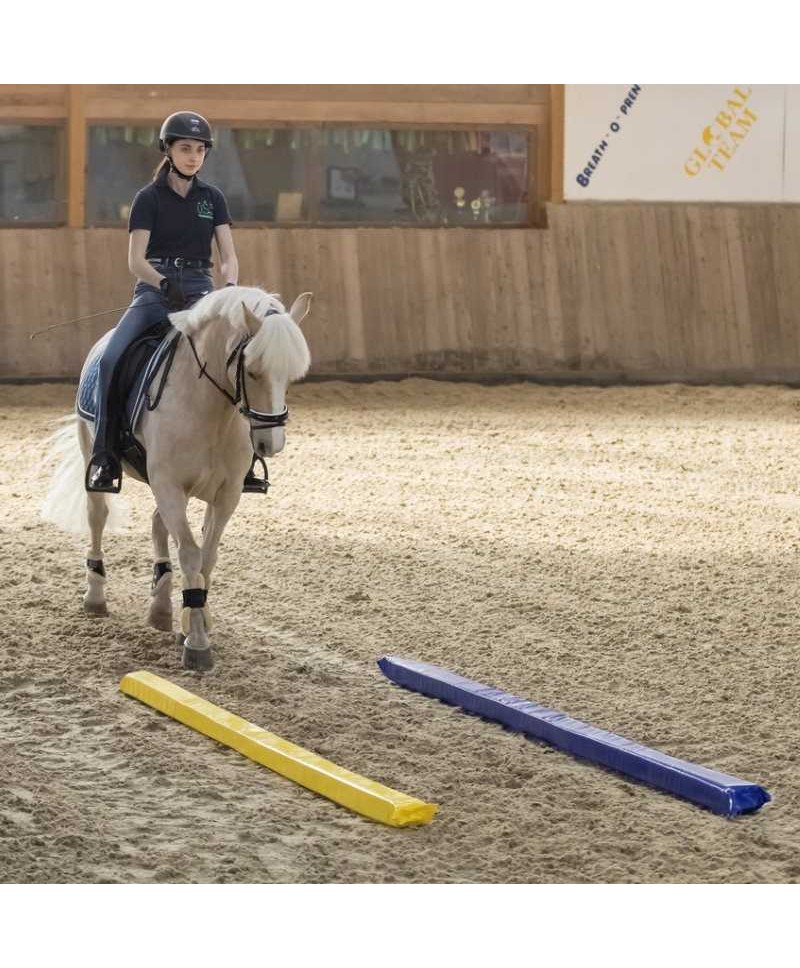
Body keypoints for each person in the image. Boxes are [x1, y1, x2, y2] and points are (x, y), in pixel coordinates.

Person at [85, 110, 264, 494]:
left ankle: (247, 459)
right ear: (168, 150)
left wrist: (228, 287)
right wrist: (162, 282)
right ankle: (105, 456)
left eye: (200, 150)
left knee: (240, 358)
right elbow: (136, 261)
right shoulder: (148, 198)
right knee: (112, 357)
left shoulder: (212, 199)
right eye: (185, 148)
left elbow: (228, 255)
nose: (193, 156)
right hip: (154, 292)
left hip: (201, 290)